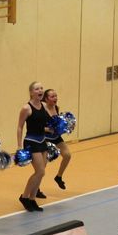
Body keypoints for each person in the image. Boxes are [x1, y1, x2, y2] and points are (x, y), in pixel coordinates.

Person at [16, 82, 51, 212]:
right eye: (37, 89)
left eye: (41, 88)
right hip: (31, 141)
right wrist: (19, 145)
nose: (40, 90)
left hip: (42, 141)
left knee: (40, 173)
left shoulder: (44, 106)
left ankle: (32, 199)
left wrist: (53, 128)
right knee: (40, 171)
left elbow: (44, 125)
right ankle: (24, 197)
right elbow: (20, 127)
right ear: (31, 92)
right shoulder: (26, 108)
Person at [43, 88, 71, 190]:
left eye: (56, 96)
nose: (55, 98)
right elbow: (37, 127)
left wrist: (64, 127)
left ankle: (58, 177)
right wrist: (48, 129)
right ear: (46, 99)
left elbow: (57, 124)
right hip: (45, 138)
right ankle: (36, 188)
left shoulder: (56, 108)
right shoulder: (42, 110)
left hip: (55, 136)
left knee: (67, 155)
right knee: (43, 164)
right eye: (52, 96)